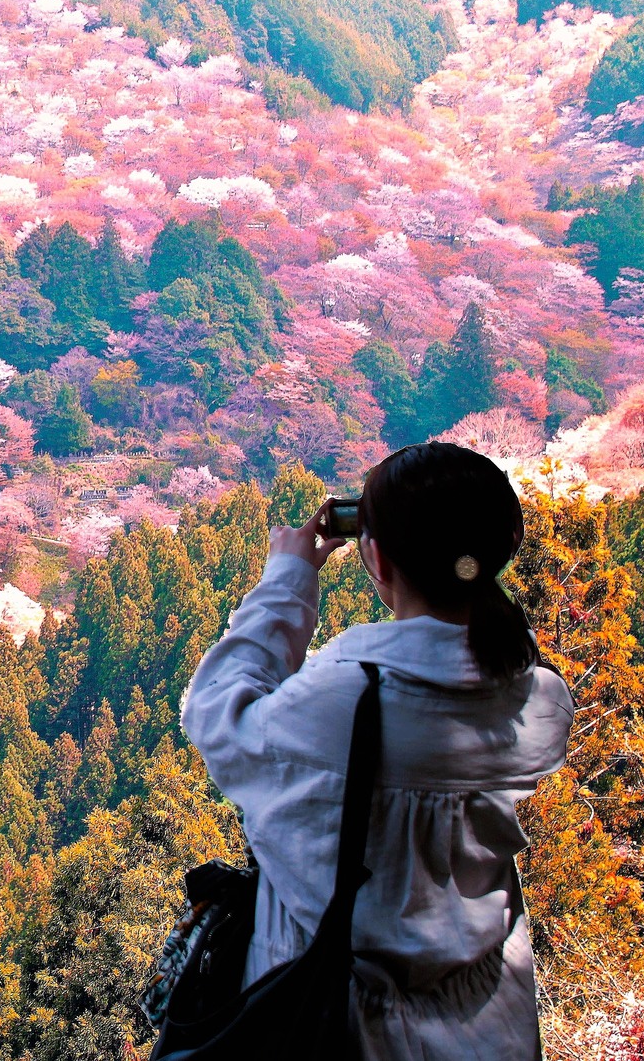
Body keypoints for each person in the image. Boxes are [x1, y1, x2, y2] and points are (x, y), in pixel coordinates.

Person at [181, 443, 573, 1060]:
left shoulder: (348, 698)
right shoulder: (538, 697)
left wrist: (288, 579)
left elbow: (217, 714)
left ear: (377, 557)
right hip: (484, 1019)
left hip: (334, 1019)